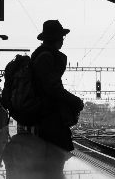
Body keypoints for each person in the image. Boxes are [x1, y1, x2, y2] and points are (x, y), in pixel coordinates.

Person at [31, 20, 83, 151]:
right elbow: (53, 88)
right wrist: (75, 101)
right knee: (57, 153)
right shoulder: (45, 57)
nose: (63, 40)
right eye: (62, 37)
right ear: (56, 38)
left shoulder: (44, 55)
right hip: (48, 116)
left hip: (47, 114)